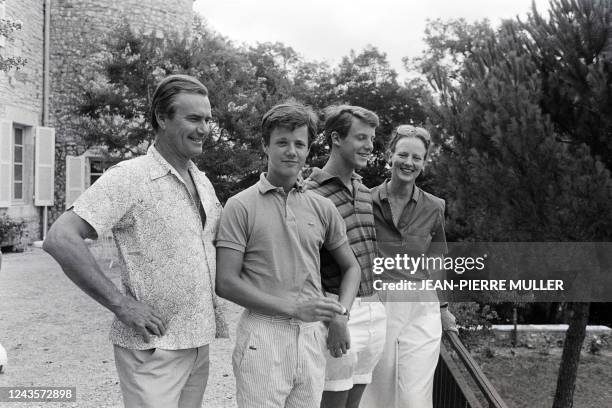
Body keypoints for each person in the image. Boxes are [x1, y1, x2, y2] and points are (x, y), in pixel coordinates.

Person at [43, 74, 225, 408]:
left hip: (198, 342)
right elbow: (60, 238)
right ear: (161, 118)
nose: (204, 129)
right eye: (194, 118)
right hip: (152, 347)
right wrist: (121, 304)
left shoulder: (202, 181)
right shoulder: (130, 176)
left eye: (207, 120)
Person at [215, 102, 362, 408]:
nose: (291, 151)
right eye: (282, 142)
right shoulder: (240, 205)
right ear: (265, 146)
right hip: (263, 334)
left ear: (308, 150)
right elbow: (226, 283)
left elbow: (352, 268)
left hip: (310, 336)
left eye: (300, 144)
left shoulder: (322, 207)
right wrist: (294, 307)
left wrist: (340, 314)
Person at [361, 124, 457, 408]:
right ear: (390, 154)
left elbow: (437, 259)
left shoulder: (435, 206)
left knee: (414, 399)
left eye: (417, 158)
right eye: (403, 154)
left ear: (424, 163)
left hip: (421, 305)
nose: (409, 163)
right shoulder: (364, 200)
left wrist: (443, 309)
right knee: (378, 396)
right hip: (378, 303)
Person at [304, 105, 387, 408]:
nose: (369, 146)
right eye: (361, 137)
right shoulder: (310, 193)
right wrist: (336, 315)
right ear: (336, 138)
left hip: (373, 311)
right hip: (337, 313)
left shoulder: (363, 190)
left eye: (372, 139)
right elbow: (306, 267)